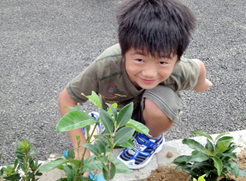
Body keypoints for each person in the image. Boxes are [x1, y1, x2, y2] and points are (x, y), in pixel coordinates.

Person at [58, 0, 212, 175]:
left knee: (157, 108)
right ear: (123, 47)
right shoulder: (106, 65)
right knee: (114, 134)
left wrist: (202, 84)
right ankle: (105, 121)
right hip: (118, 113)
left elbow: (198, 67)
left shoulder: (179, 69)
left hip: (151, 112)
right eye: (140, 59)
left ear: (177, 56)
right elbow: (67, 99)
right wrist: (81, 150)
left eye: (162, 62)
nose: (149, 73)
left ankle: (150, 138)